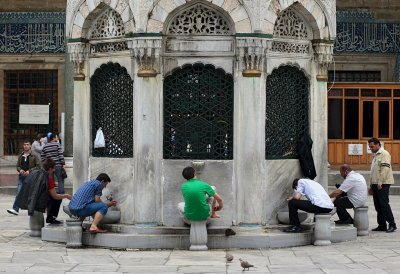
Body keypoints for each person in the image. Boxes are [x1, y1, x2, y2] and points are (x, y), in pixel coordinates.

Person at [368, 138, 397, 233]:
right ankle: (382, 225)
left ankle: (392, 224)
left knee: (384, 204)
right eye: (369, 147)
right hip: (375, 184)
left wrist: (380, 182)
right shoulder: (375, 155)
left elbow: (385, 169)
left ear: (378, 145)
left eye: (372, 146)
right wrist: (371, 185)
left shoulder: (384, 154)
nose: (370, 148)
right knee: (378, 205)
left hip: (383, 183)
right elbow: (373, 171)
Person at [7, 141, 40, 216]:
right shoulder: (21, 155)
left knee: (32, 194)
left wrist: (29, 171)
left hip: (31, 178)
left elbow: (38, 166)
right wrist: (20, 170)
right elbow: (18, 166)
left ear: (30, 146)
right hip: (21, 177)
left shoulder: (34, 155)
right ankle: (15, 209)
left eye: (27, 145)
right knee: (19, 192)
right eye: (24, 145)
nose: (26, 146)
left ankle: (35, 209)